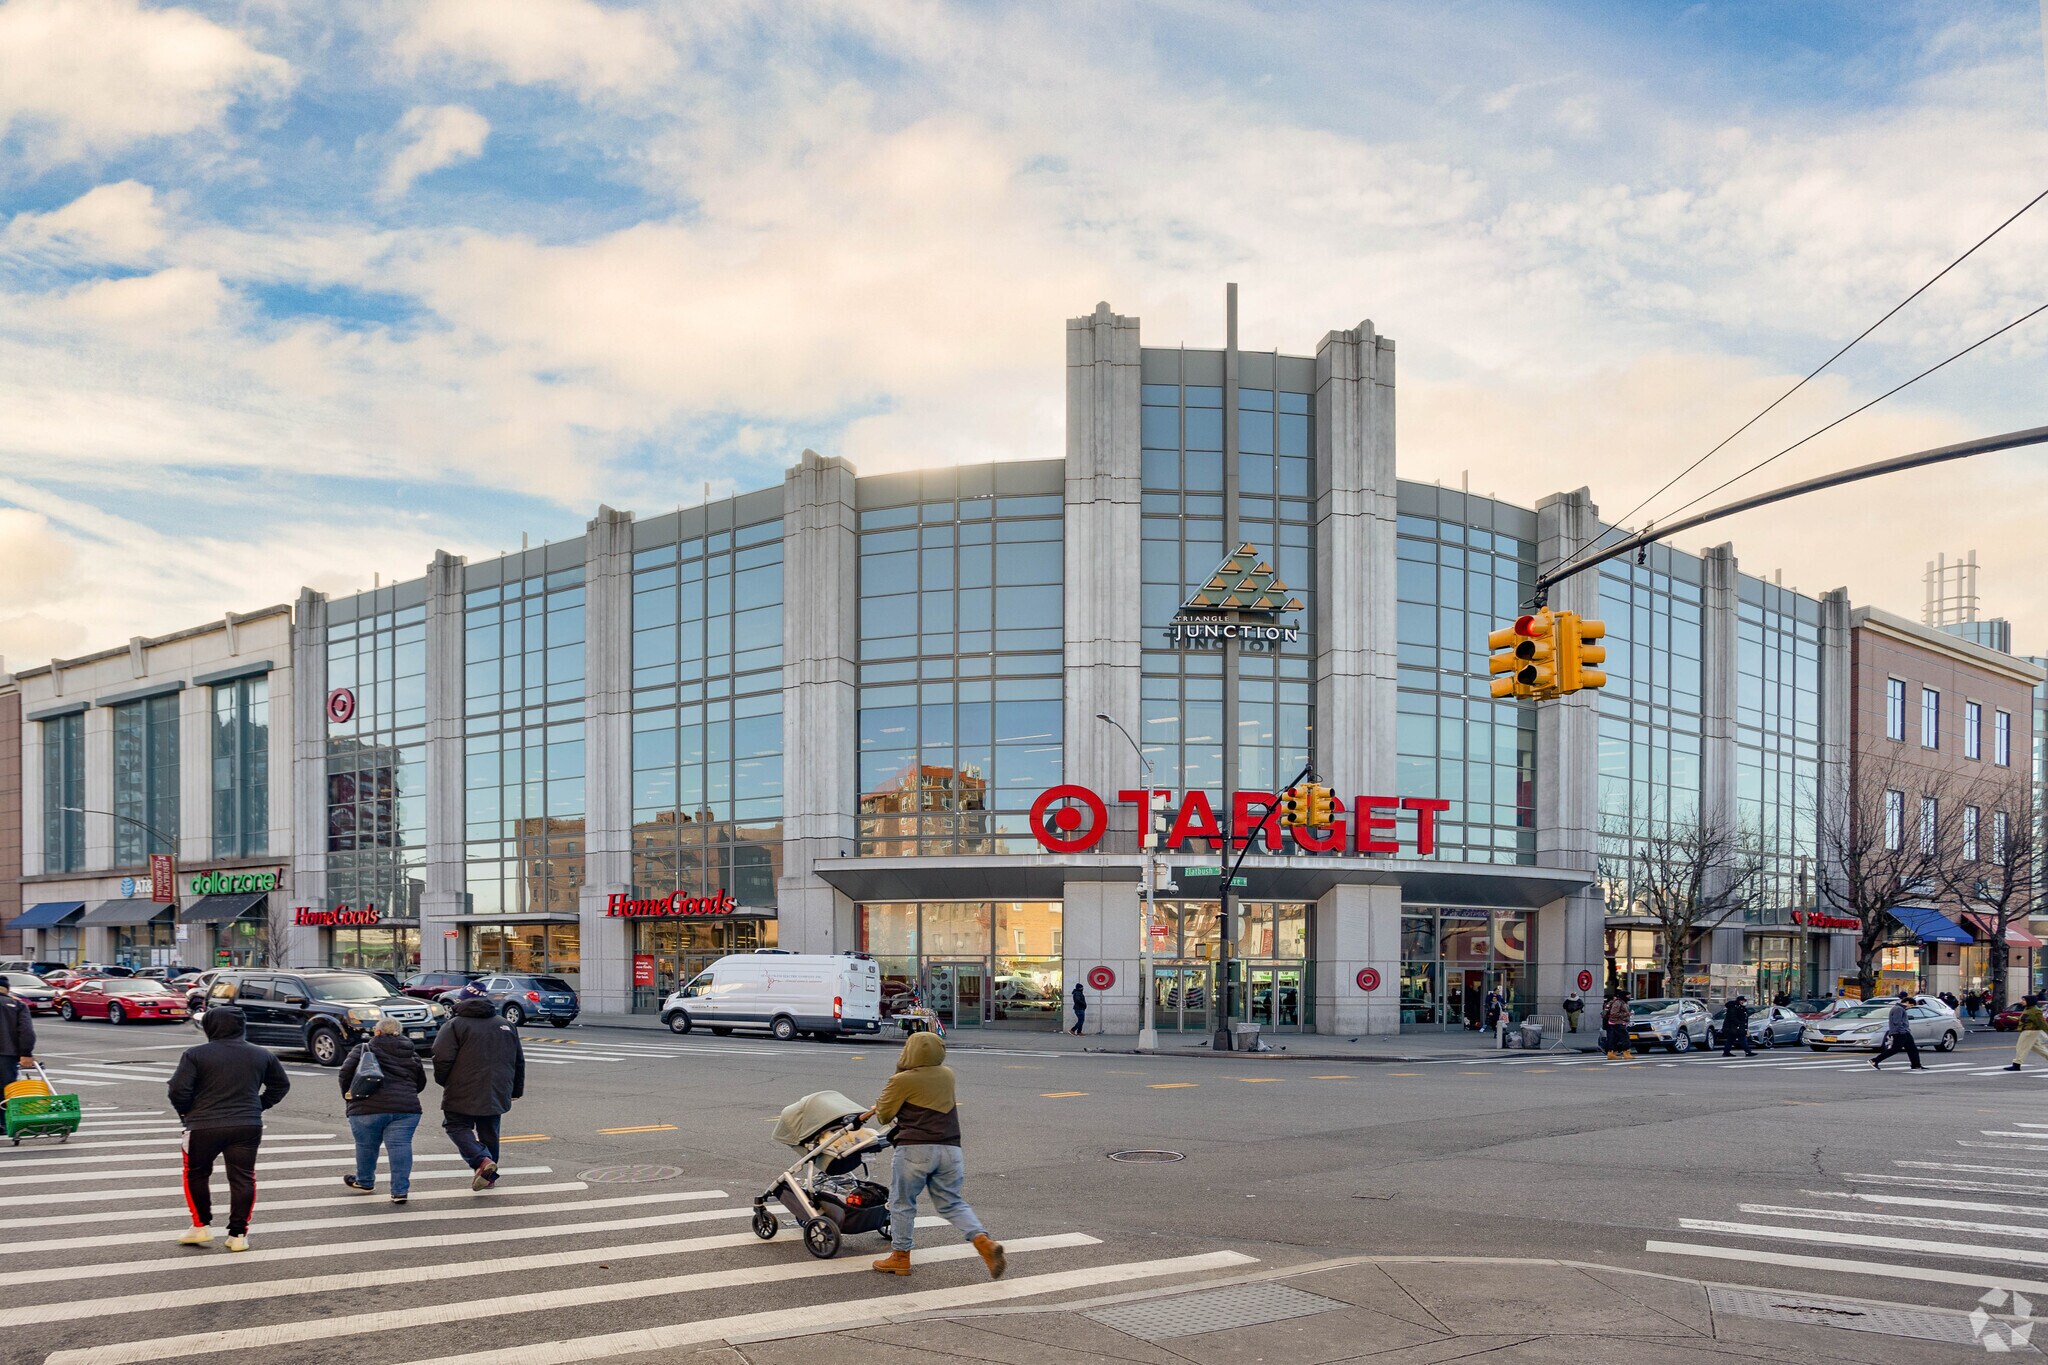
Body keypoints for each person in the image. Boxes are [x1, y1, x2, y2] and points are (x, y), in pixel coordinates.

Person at [865, 1030, 1005, 1280]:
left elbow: (885, 1116)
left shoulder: (903, 1080)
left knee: (902, 1202)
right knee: (951, 1202)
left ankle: (900, 1257)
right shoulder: (947, 1075)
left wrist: (895, 1082)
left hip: (915, 1150)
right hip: (950, 1150)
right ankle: (982, 1241)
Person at [166, 1006, 290, 1250]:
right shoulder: (261, 1054)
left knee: (196, 1173)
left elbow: (178, 1090)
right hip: (247, 1124)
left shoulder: (196, 1055)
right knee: (243, 1177)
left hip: (203, 1125)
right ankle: (238, 1235)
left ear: (211, 1026)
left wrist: (187, 1112)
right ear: (241, 1026)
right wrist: (259, 1105)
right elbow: (281, 1085)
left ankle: (200, 1227)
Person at [432, 981, 524, 1191]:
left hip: (462, 1087)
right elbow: (518, 1060)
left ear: (462, 1001)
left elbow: (441, 1058)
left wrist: (445, 1081)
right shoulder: (505, 1025)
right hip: (497, 1089)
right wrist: (515, 1089)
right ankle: (489, 1177)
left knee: (455, 1125)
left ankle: (481, 1160)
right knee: (489, 1131)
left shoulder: (455, 1025)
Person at [340, 1017, 429, 1204]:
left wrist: (349, 1096)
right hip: (406, 1108)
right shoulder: (411, 1053)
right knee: (400, 1146)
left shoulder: (363, 1049)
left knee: (366, 1145)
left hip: (366, 1107)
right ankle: (399, 1191)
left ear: (377, 1032)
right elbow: (420, 1082)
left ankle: (365, 1181)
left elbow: (345, 1074)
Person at [1871, 991, 1925, 1071]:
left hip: (1904, 1032)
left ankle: (1916, 1065)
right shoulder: (1898, 1009)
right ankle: (1875, 1060)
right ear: (1906, 1002)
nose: (1910, 1007)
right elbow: (1897, 1022)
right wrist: (1902, 1031)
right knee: (1895, 1049)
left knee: (1912, 1049)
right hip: (1899, 1032)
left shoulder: (1900, 1008)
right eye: (1911, 1005)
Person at [0, 977, 35, 1091]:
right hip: (7, 1055)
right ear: (8, 989)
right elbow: (26, 1031)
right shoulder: (18, 1005)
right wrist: (26, 1053)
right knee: (6, 1091)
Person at [2008, 996, 2048, 1072]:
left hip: (2030, 1031)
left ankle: (2016, 1065)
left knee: (2021, 1047)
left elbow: (2042, 1023)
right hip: (2028, 1031)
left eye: (2024, 1000)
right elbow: (2024, 1019)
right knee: (2038, 1048)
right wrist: (2013, 1018)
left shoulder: (2036, 1011)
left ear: (2030, 1001)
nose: (2021, 1001)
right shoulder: (2028, 1009)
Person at [1601, 990, 1630, 1059]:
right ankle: (1626, 1053)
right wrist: (1627, 1014)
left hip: (1615, 1022)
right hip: (1617, 1022)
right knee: (1625, 1037)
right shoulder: (1618, 1003)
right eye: (1628, 995)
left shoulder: (1620, 1002)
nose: (1629, 997)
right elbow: (1614, 1013)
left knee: (1614, 1038)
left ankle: (1612, 1053)